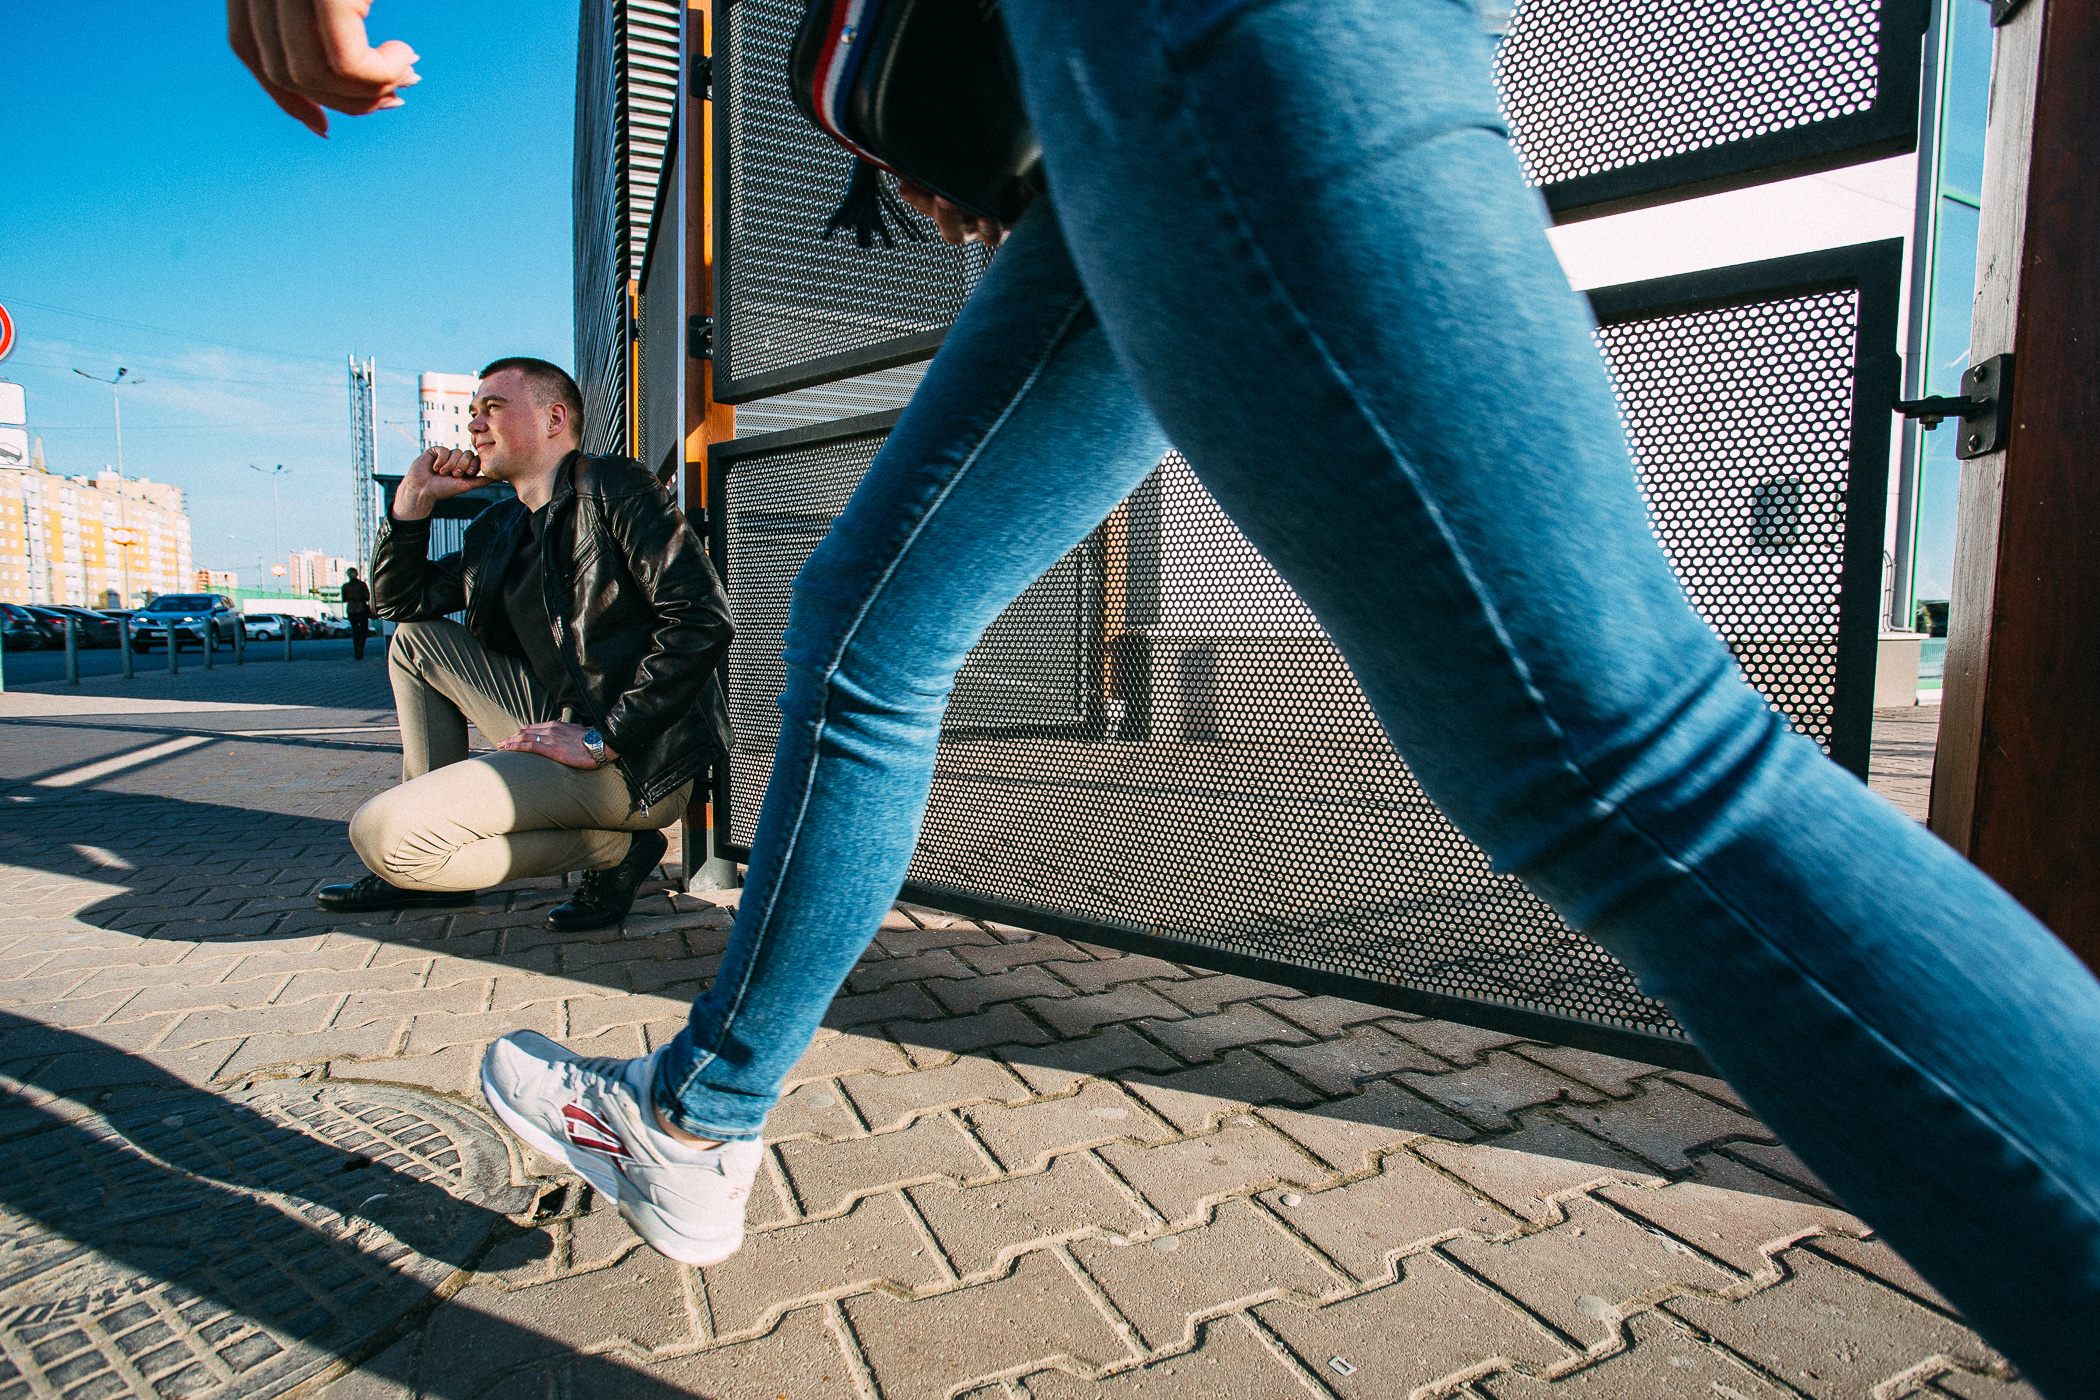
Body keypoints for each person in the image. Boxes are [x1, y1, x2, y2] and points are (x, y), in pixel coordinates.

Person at [236, 4, 2100, 1394]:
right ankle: (702, 1120)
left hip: (1199, 31)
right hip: (1112, 100)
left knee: (1624, 760)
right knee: (867, 624)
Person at [313, 357, 733, 934]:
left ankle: (617, 850)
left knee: (383, 836)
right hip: (553, 722)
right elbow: (399, 603)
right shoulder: (498, 530)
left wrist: (604, 738)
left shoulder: (612, 486)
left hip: (634, 756)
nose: (473, 425)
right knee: (416, 640)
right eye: (471, 413)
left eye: (493, 408)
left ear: (554, 418)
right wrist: (413, 501)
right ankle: (433, 867)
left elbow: (700, 618)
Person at [340, 566, 372, 660]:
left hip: (351, 610)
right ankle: (361, 647)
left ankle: (356, 650)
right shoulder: (362, 585)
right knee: (364, 630)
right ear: (357, 574)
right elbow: (367, 596)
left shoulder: (345, 586)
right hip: (362, 609)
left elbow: (344, 599)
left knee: (355, 631)